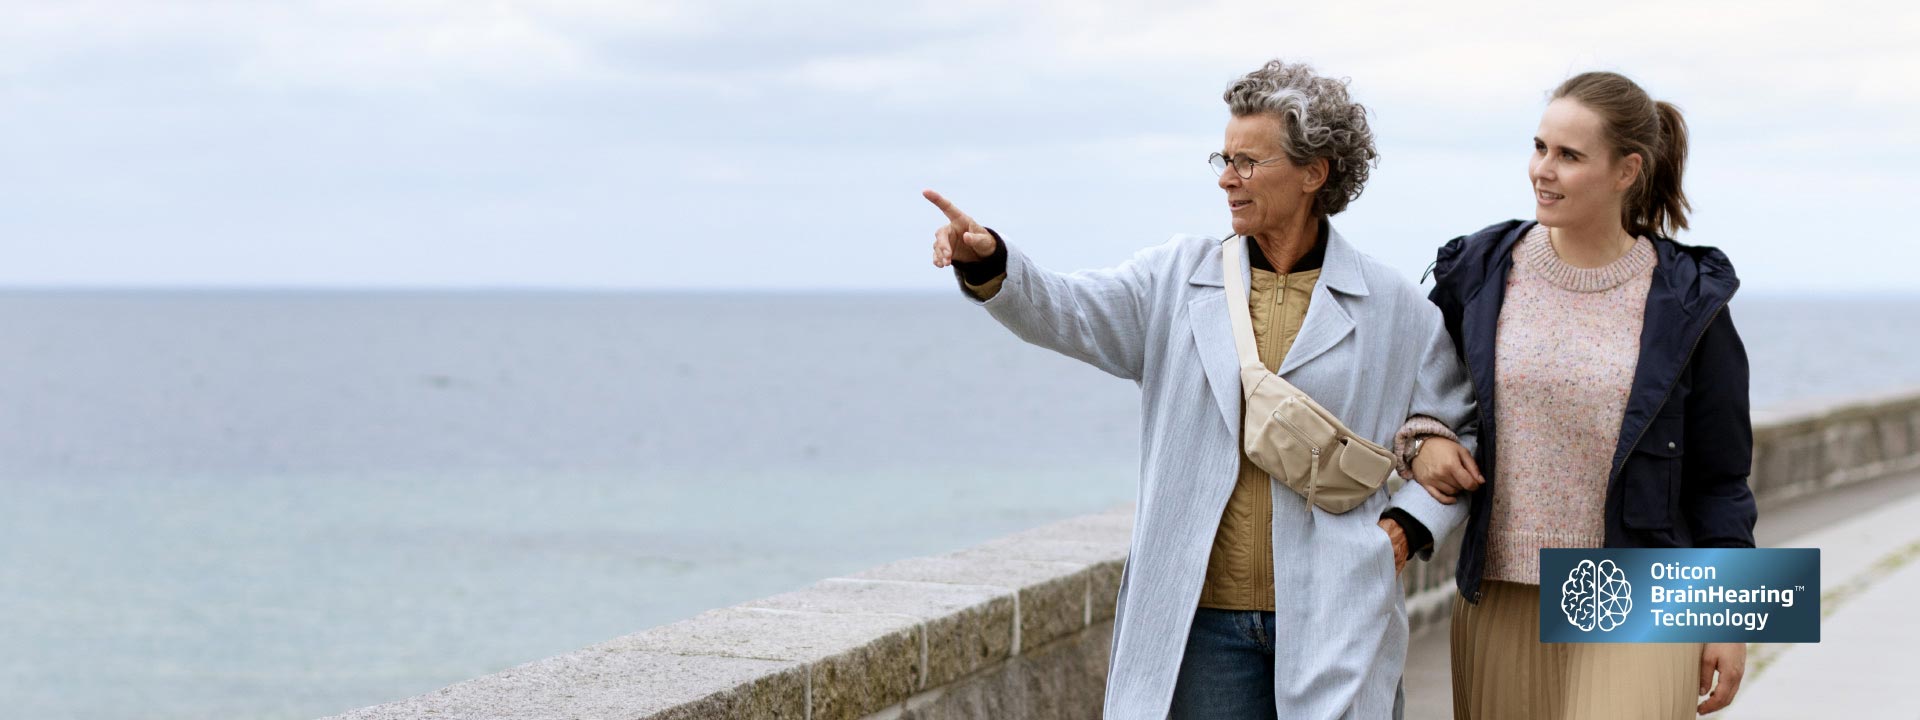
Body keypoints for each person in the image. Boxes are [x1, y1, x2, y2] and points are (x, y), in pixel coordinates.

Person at [921, 59, 1481, 719]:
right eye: (1223, 157)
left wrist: (1405, 528)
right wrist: (991, 264)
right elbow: (1067, 311)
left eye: (1247, 162)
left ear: (1313, 173)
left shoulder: (1394, 307)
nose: (1225, 178)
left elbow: (1457, 431)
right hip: (1201, 629)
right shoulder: (1174, 279)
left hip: (1337, 611)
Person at [1410, 71, 1755, 718]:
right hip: (1502, 588)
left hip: (1640, 589)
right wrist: (1423, 440)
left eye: (1569, 156)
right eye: (1540, 148)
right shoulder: (1479, 272)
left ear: (1628, 170)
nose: (1544, 170)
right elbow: (1419, 390)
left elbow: (1722, 476)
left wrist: (1729, 615)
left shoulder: (1689, 301)